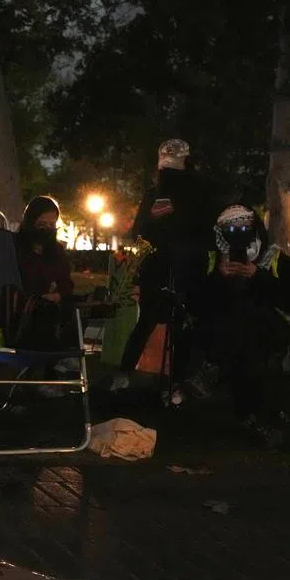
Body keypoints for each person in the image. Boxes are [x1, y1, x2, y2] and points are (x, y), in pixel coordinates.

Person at [114, 139, 221, 402]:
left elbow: (209, 230)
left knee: (181, 324)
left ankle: (177, 382)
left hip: (186, 268)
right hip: (159, 268)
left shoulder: (200, 193)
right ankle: (127, 374)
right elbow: (140, 229)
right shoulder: (155, 194)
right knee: (149, 321)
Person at [193, 205, 290, 443]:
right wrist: (218, 279)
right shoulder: (211, 259)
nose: (238, 233)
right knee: (243, 339)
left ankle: (215, 374)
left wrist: (258, 276)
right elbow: (195, 304)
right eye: (231, 228)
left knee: (247, 326)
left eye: (244, 227)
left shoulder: (273, 258)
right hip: (225, 333)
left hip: (268, 329)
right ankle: (252, 416)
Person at [12, 196, 76, 351]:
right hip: (21, 307)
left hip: (51, 306)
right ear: (31, 222)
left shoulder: (57, 251)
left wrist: (58, 295)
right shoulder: (14, 247)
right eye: (42, 224)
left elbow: (66, 283)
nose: (47, 229)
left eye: (51, 224)